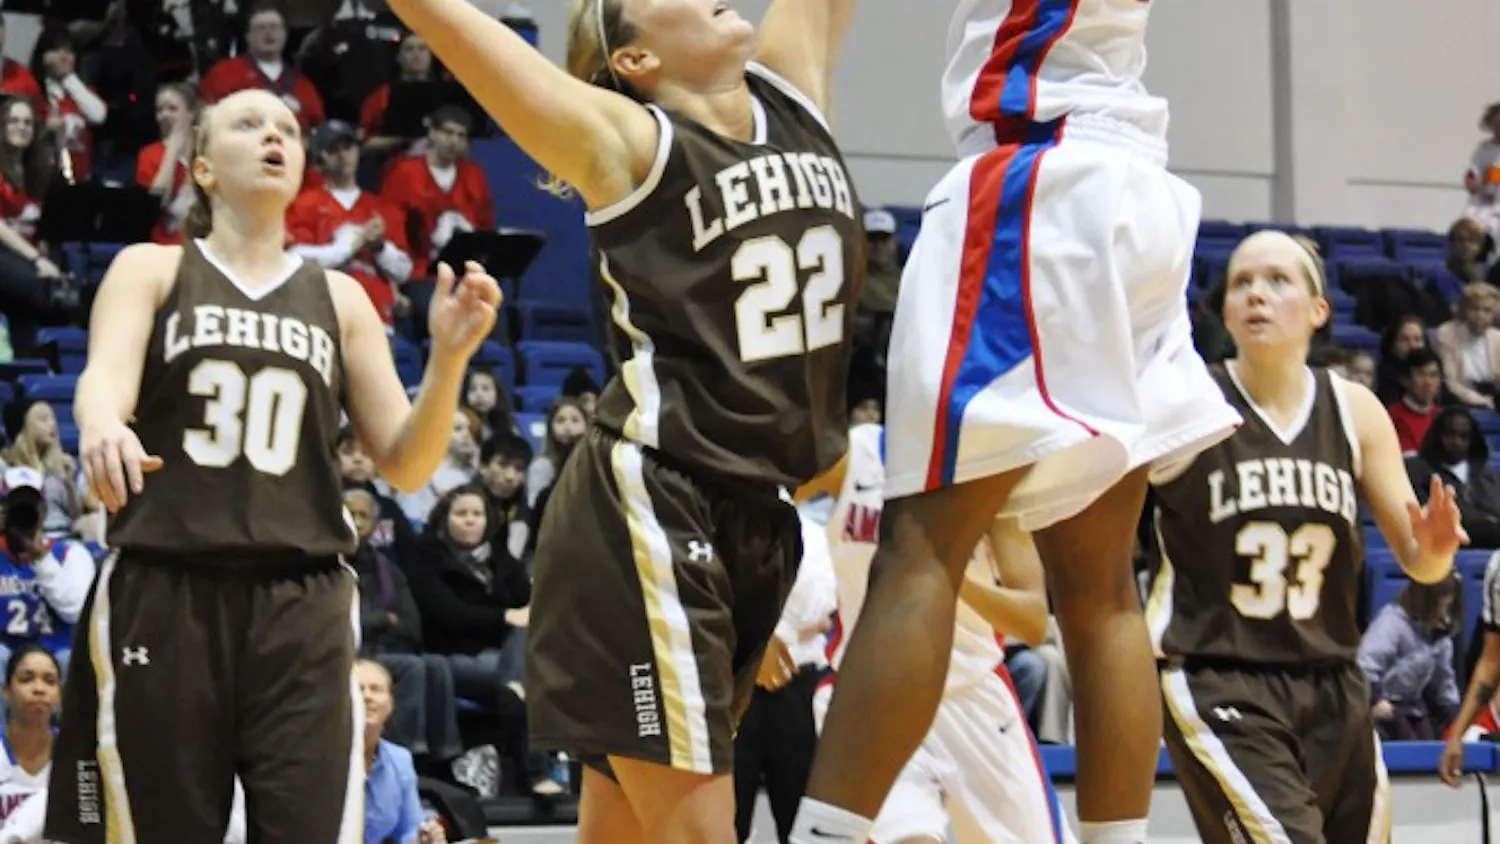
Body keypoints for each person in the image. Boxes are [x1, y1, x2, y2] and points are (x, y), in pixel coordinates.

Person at [385, 0, 861, 840]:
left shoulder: (791, 98)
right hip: (654, 504)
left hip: (757, 515)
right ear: (635, 61)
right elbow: (451, 24)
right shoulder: (630, 143)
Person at [793, 5, 1242, 844]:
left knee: (921, 551)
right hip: (1132, 178)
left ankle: (821, 837)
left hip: (1043, 172)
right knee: (1101, 582)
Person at [43, 88, 500, 844]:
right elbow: (104, 377)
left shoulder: (344, 297)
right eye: (249, 124)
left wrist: (449, 359)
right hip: (167, 585)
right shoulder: (152, 270)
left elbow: (408, 465)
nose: (274, 137)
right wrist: (98, 425)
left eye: (288, 128)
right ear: (203, 170)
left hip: (302, 598)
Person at [1146, 231, 1460, 843]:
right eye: (1242, 283)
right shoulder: (1182, 402)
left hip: (1334, 681)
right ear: (1226, 310)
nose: (1256, 294)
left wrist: (1436, 550)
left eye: (1277, 280)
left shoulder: (1355, 410)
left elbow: (1418, 565)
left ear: (1319, 310)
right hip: (1219, 676)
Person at [815, 420, 1072, 844]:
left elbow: (1031, 620)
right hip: (871, 699)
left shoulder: (991, 472)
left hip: (973, 695)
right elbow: (763, 486)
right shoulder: (855, 455)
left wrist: (944, 571)